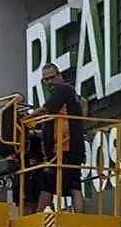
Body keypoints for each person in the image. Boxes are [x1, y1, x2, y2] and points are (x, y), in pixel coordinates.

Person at [29, 63, 86, 213]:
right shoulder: (70, 93)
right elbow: (84, 104)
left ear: (60, 76)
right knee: (69, 184)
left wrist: (26, 118)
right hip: (68, 147)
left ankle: (39, 214)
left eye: (52, 78)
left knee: (54, 183)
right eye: (45, 80)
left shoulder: (63, 89)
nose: (49, 82)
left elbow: (45, 110)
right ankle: (77, 216)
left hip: (65, 147)